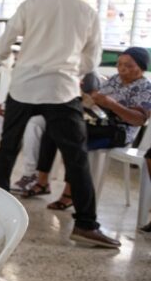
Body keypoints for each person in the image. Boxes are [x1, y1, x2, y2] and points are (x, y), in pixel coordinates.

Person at [0, 0, 116, 248]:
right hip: (62, 89)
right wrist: (68, 70)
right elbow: (92, 60)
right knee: (76, 157)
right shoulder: (87, 12)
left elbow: (3, 44)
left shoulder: (31, 5)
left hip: (24, 86)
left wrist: (9, 61)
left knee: (8, 147)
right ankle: (85, 224)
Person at [21, 49, 151, 209]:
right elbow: (97, 102)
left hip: (119, 132)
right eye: (119, 64)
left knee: (74, 138)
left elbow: (138, 120)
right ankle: (42, 181)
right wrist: (86, 96)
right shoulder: (115, 80)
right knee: (55, 126)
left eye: (129, 66)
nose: (122, 69)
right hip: (98, 123)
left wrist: (111, 104)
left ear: (142, 67)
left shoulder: (146, 88)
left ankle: (70, 193)